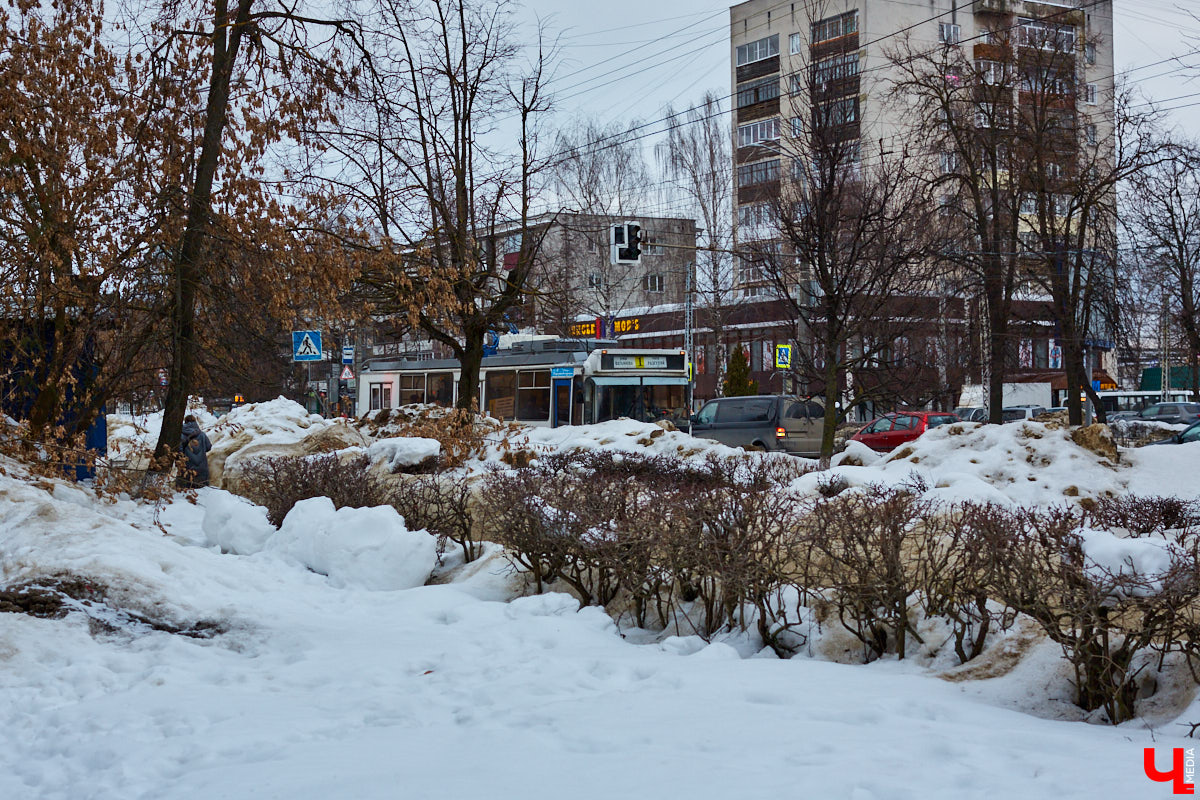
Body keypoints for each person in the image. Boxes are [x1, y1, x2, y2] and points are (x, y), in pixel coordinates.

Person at [178, 414, 213, 489]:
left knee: (186, 491)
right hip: (202, 468)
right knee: (202, 490)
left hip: (187, 468)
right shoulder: (202, 434)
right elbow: (209, 447)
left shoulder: (181, 435)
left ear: (185, 422)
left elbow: (179, 451)